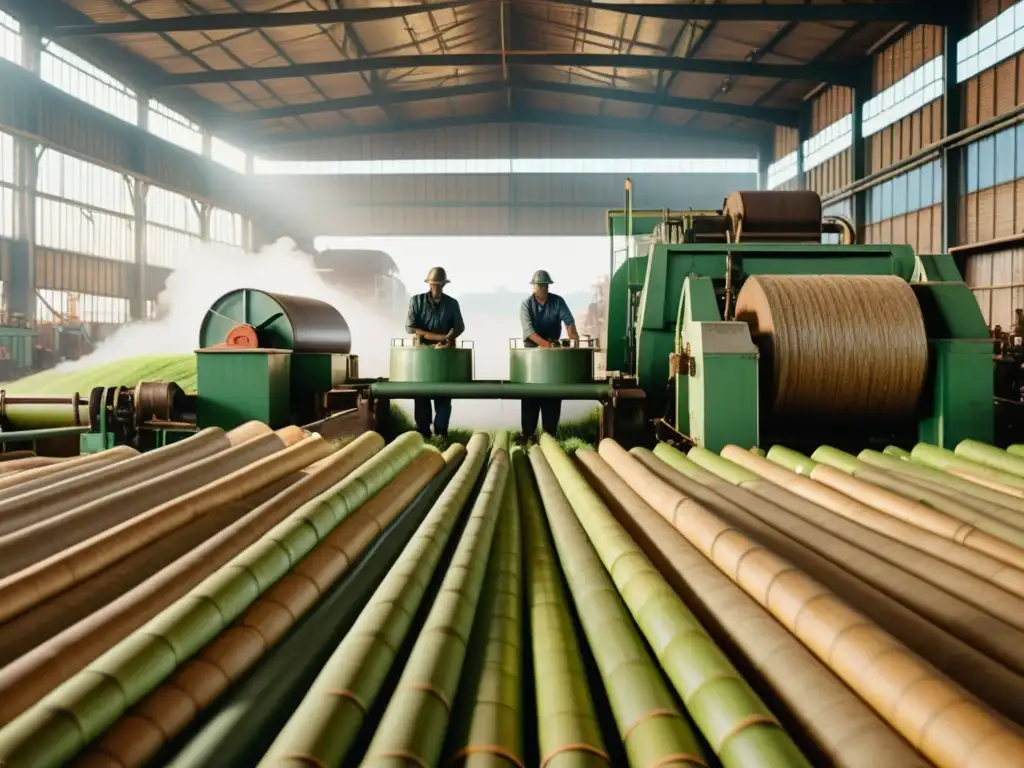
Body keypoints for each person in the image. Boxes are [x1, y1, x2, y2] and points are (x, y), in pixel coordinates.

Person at [405, 266, 465, 439]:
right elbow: (410, 328)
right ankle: (423, 433)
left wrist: (450, 338)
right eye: (433, 284)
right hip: (422, 354)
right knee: (421, 393)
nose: (436, 287)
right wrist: (438, 337)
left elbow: (459, 326)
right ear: (429, 284)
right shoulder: (416, 301)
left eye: (439, 284)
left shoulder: (452, 303)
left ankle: (441, 433)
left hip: (443, 354)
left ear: (444, 285)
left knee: (443, 394)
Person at [519, 269, 579, 440]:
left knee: (552, 396)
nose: (544, 289)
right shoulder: (526, 305)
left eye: (546, 286)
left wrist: (573, 338)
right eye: (540, 286)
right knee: (530, 397)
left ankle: (549, 438)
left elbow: (569, 321)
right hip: (532, 357)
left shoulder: (558, 301)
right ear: (534, 287)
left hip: (553, 359)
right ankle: (528, 436)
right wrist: (548, 346)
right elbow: (529, 332)